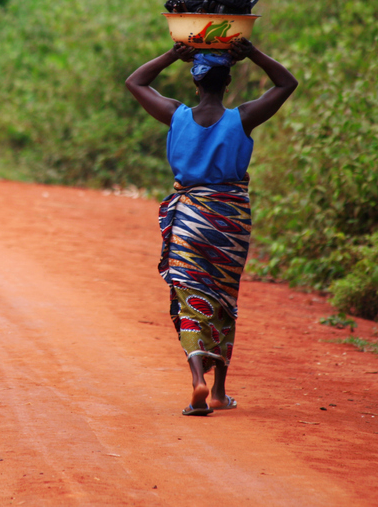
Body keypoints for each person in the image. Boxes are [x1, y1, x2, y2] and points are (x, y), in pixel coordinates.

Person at [125, 37, 297, 416]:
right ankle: (219, 391)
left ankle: (197, 380)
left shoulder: (176, 115)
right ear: (227, 84)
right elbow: (287, 83)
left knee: (190, 296)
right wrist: (252, 52)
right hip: (229, 221)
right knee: (223, 297)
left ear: (195, 83)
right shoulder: (243, 118)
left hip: (189, 216)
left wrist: (172, 53)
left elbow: (135, 82)